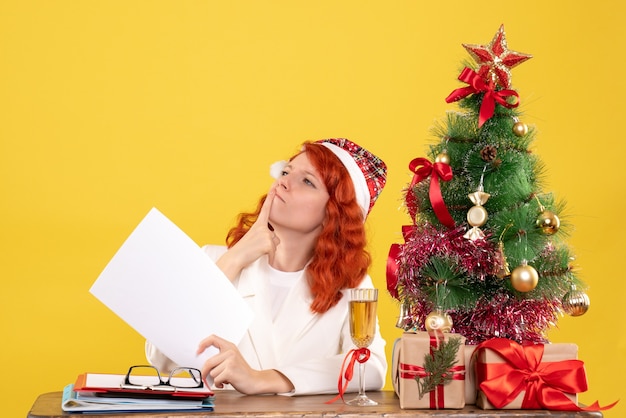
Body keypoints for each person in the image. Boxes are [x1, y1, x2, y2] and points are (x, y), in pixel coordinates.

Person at [145, 138, 388, 396]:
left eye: (307, 181)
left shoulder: (351, 285)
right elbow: (158, 356)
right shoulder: (213, 259)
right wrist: (234, 259)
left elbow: (370, 367)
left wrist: (262, 379)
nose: (283, 182)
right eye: (285, 172)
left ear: (334, 213)